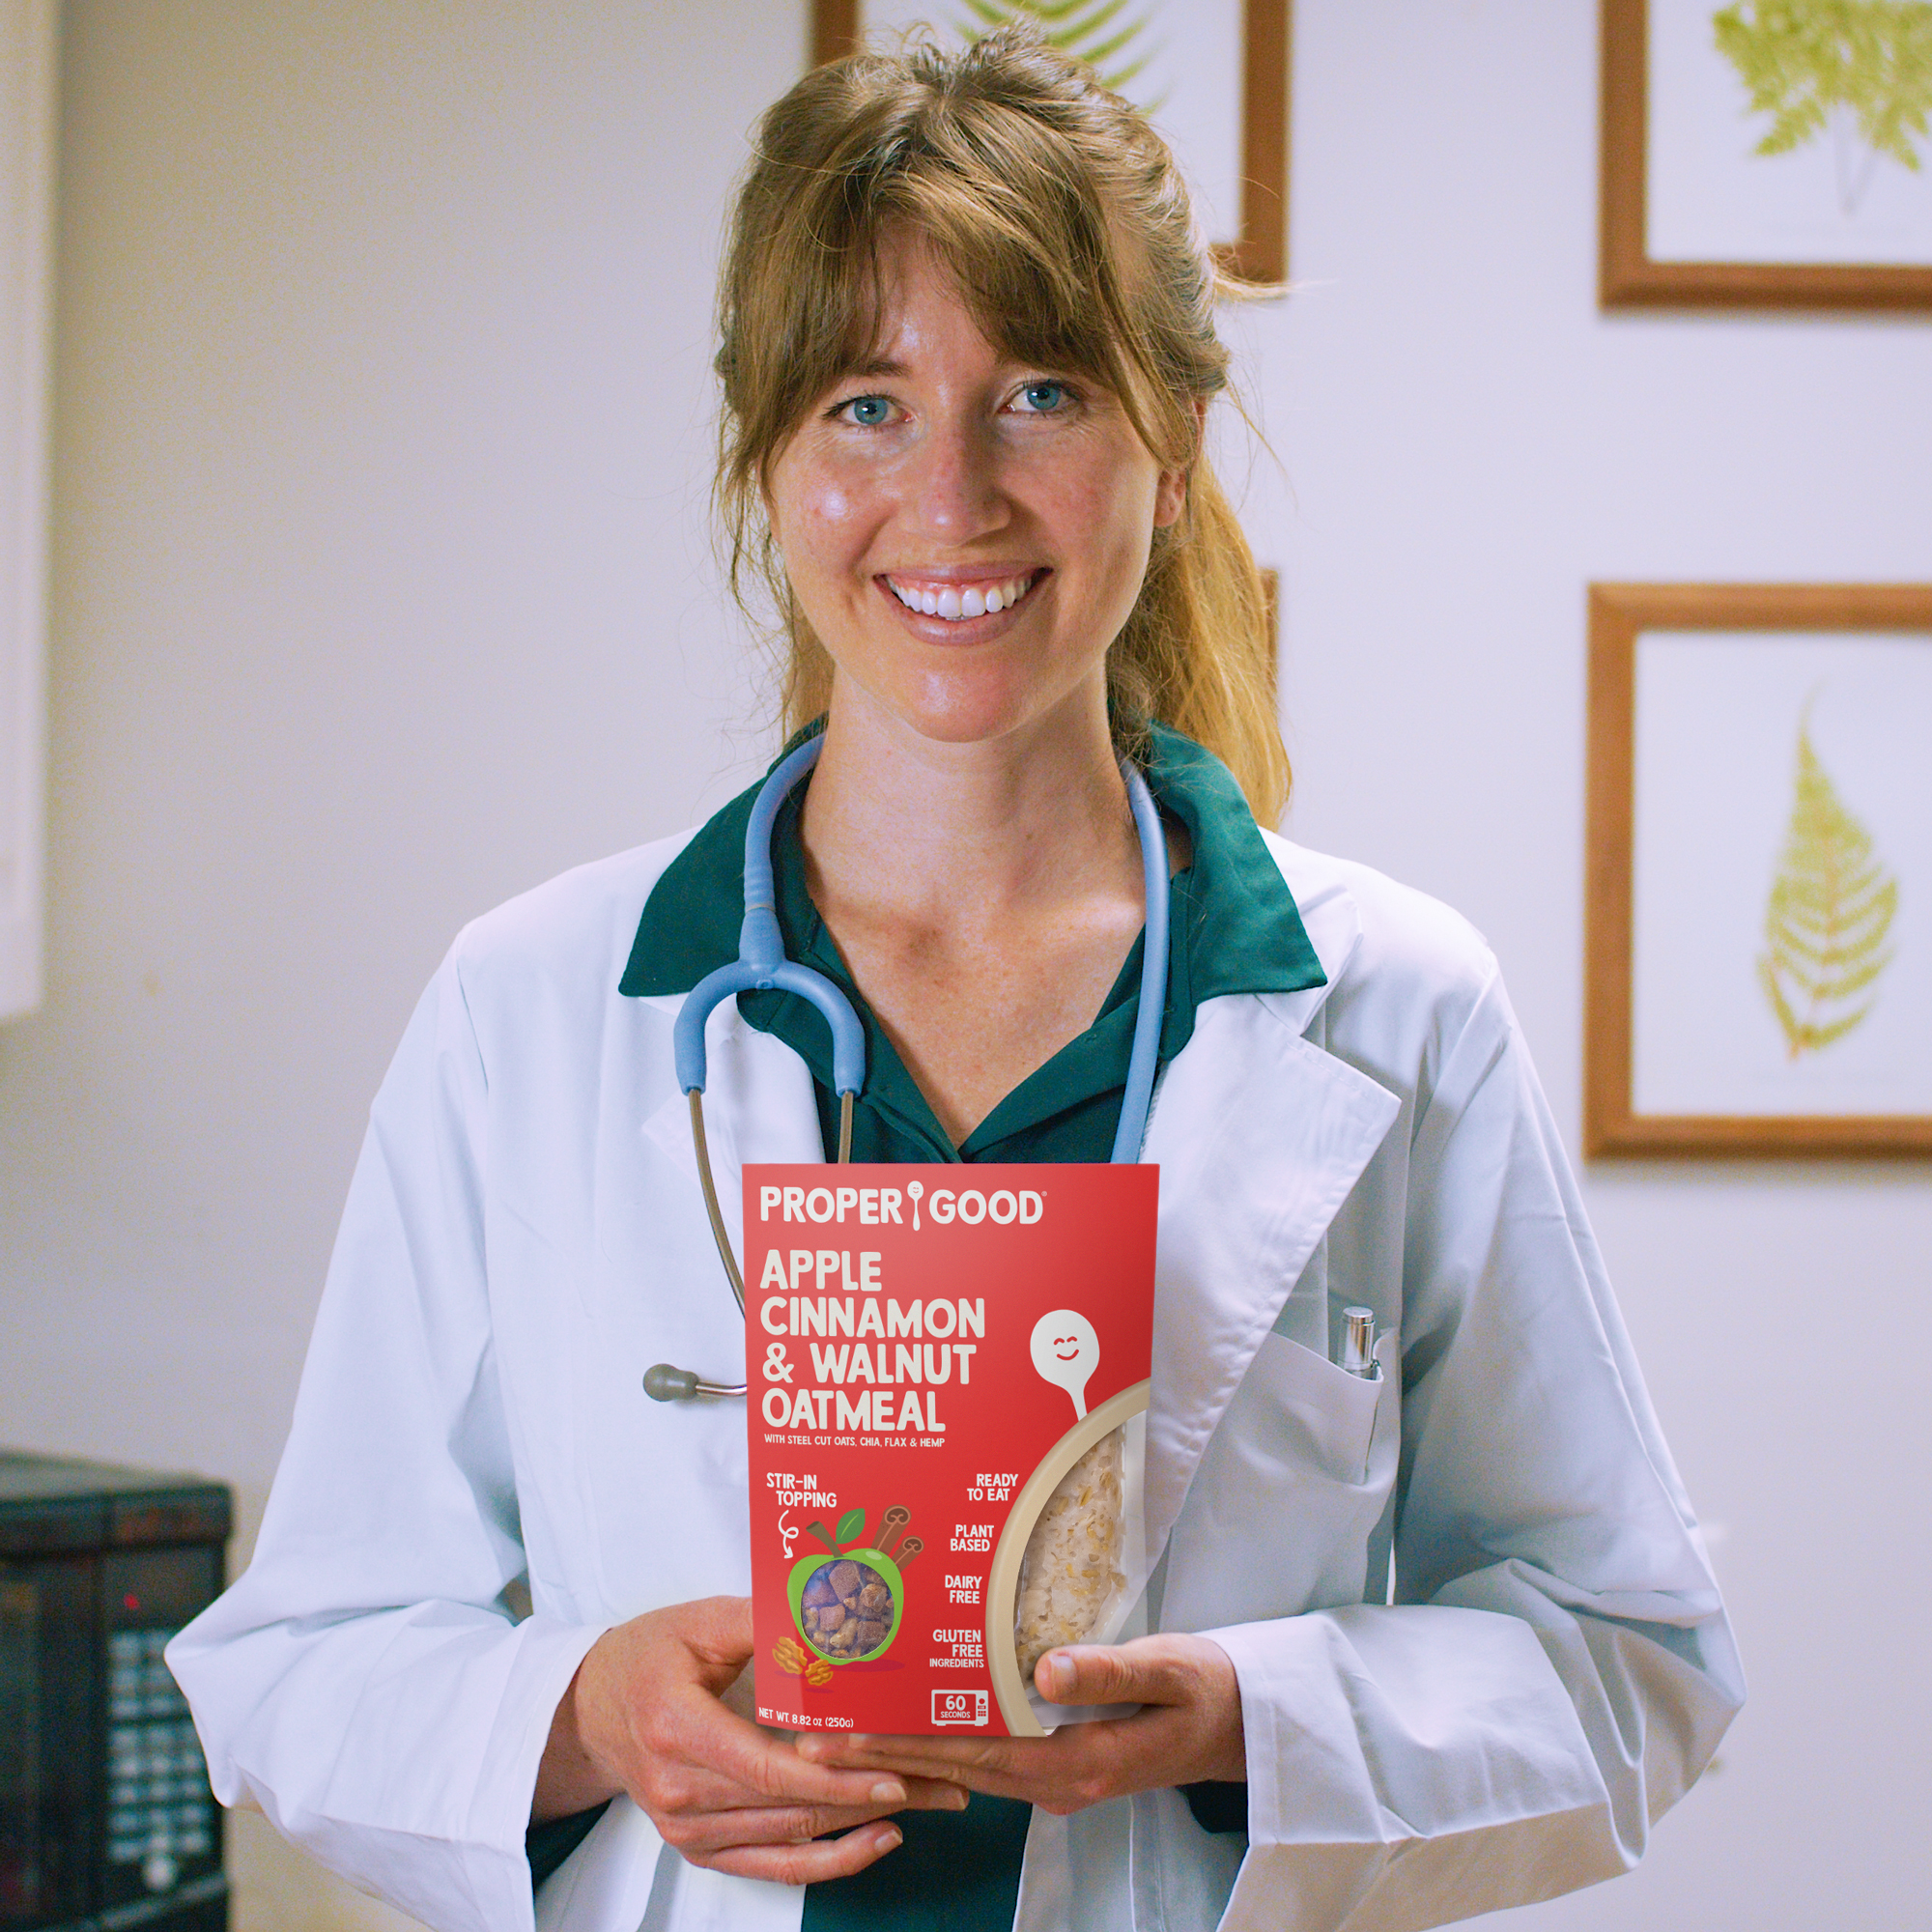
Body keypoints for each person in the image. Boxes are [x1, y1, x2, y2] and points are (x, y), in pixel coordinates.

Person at [170, 24, 1742, 1932]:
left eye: (1043, 394)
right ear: (764, 459)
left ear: (1167, 458)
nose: (953, 493)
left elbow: (1631, 1659)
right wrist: (584, 1710)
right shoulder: (536, 1009)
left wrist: (1245, 1715)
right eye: (863, 403)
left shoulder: (1394, 1004)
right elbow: (299, 1657)